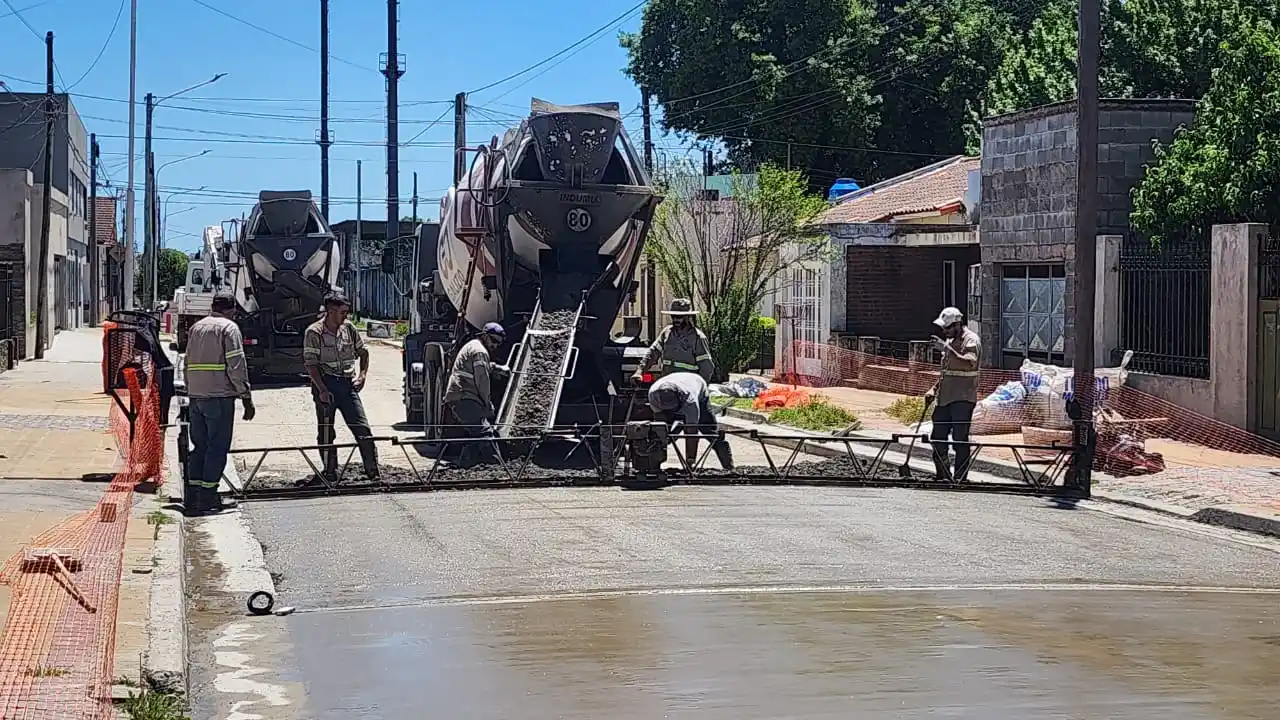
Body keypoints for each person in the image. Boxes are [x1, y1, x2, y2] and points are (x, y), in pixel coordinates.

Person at [183, 292, 254, 515]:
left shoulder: (197, 327)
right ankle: (209, 497)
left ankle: (193, 495)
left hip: (196, 396)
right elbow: (236, 364)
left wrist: (190, 389)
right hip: (219, 396)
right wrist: (246, 396)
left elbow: (186, 361)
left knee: (200, 447)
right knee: (217, 448)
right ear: (232, 308)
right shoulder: (228, 328)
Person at [303, 292, 379, 480]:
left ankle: (373, 471)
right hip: (325, 385)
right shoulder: (314, 332)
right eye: (342, 312)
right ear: (330, 311)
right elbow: (310, 364)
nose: (346, 316)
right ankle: (330, 472)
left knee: (363, 429)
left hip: (347, 385)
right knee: (327, 431)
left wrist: (362, 375)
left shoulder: (349, 329)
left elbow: (363, 352)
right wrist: (321, 389)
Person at [924, 306, 981, 481]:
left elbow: (969, 363)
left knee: (959, 439)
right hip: (944, 398)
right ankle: (943, 475)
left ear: (957, 324)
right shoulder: (949, 342)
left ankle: (960, 478)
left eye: (947, 328)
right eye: (943, 328)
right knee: (938, 437)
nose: (944, 331)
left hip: (963, 398)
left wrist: (947, 350)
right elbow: (946, 371)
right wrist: (933, 389)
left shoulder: (971, 340)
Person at [443, 322, 511, 467]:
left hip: (460, 396)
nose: (495, 346)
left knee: (476, 433)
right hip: (464, 396)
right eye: (493, 341)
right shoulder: (480, 351)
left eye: (498, 343)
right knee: (485, 432)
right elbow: (482, 380)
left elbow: (482, 366)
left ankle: (464, 465)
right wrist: (487, 403)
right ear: (485, 336)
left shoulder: (473, 346)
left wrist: (498, 368)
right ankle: (497, 466)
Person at [647, 371, 734, 470]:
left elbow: (692, 433)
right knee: (660, 433)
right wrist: (664, 437)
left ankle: (728, 466)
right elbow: (659, 423)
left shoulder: (690, 401)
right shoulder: (653, 394)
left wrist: (690, 461)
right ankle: (654, 465)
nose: (670, 411)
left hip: (698, 387)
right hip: (679, 382)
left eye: (673, 409)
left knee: (709, 431)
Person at [632, 298, 714, 383]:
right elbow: (652, 353)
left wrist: (698, 388)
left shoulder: (698, 337)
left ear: (688, 317)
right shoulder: (666, 333)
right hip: (668, 383)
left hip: (688, 386)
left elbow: (707, 368)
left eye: (679, 317)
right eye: (673, 316)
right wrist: (639, 372)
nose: (675, 320)